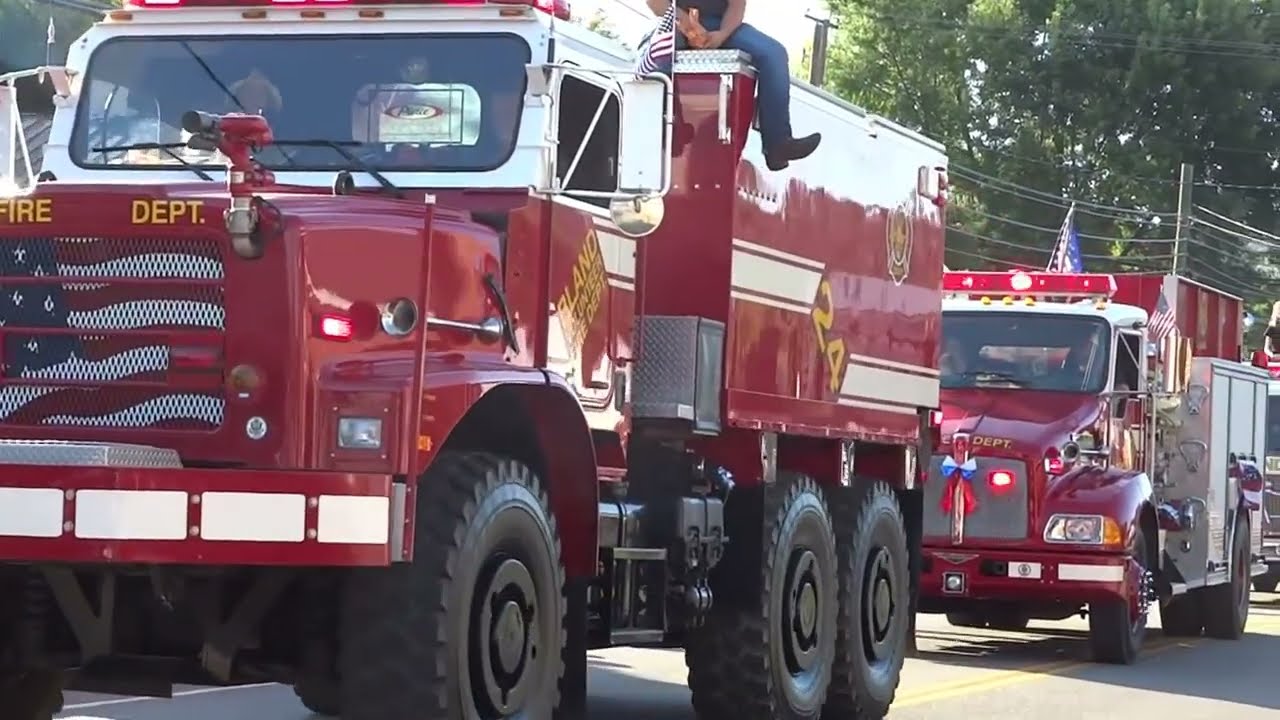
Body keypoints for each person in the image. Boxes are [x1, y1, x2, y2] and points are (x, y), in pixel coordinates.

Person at [643, 0, 821, 171]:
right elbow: (655, 2)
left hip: (719, 24)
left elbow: (737, 4)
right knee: (660, 62)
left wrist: (722, 34)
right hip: (674, 20)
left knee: (774, 54)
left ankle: (778, 144)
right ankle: (670, 130)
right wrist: (690, 28)